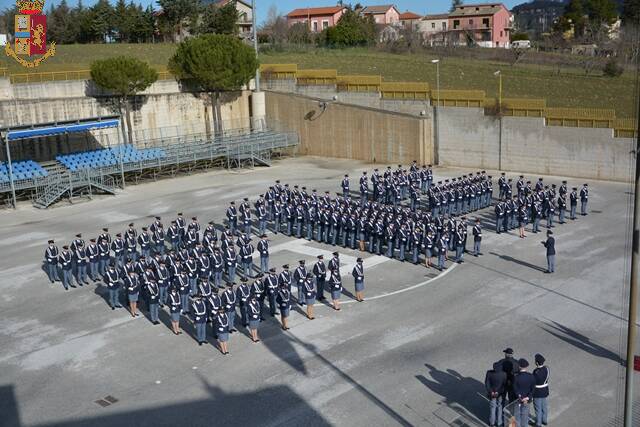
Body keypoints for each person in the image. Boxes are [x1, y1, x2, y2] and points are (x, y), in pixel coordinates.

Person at [513, 358, 536, 427]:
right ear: (526, 367)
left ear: (519, 367)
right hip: (527, 400)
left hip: (518, 399)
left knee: (517, 415)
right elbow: (533, 389)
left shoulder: (516, 377)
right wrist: (527, 398)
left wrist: (519, 396)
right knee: (525, 416)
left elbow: (515, 389)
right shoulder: (531, 376)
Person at [485, 362, 507, 427]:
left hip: (492, 394)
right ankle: (499, 422)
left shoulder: (489, 373)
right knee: (500, 407)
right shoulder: (504, 374)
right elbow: (504, 385)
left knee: (492, 407)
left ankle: (492, 423)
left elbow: (487, 383)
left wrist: (491, 391)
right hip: (500, 393)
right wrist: (498, 392)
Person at [532, 354, 550, 427]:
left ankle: (538, 423)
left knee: (538, 408)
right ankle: (544, 420)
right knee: (544, 406)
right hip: (545, 390)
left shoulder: (536, 372)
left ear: (536, 363)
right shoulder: (547, 368)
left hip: (537, 391)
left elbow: (533, 382)